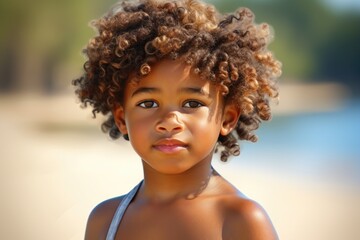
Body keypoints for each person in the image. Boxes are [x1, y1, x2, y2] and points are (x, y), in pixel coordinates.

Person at [72, 0, 282, 239]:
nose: (170, 121)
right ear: (122, 118)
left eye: (192, 104)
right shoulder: (105, 220)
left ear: (228, 118)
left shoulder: (241, 220)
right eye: (148, 103)